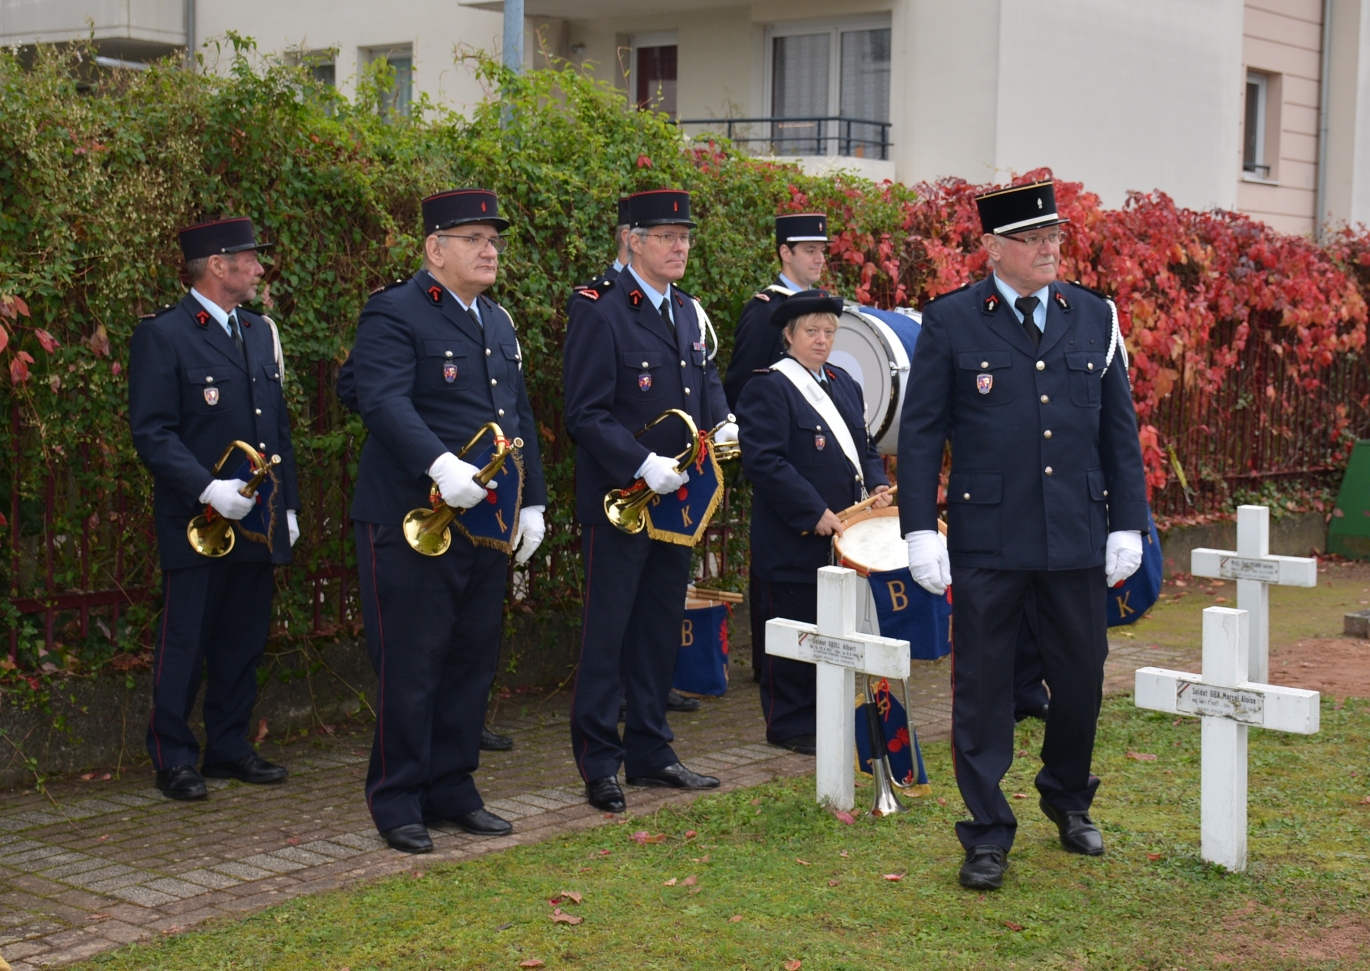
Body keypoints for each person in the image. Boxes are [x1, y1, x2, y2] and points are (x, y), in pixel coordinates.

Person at [897, 180, 1147, 890]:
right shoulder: (952, 321)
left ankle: (1067, 796)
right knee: (981, 687)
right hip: (989, 536)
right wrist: (920, 528)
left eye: (1055, 238)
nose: (1049, 249)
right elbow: (921, 437)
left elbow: (1117, 431)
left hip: (1074, 532)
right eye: (1034, 239)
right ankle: (986, 831)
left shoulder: (1094, 316)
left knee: (1080, 679)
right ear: (993, 248)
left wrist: (1127, 520)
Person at [346, 189, 548, 854]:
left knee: (470, 659)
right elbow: (380, 398)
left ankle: (453, 786)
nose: (490, 250)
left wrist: (535, 502)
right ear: (435, 249)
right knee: (412, 662)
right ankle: (398, 797)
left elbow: (516, 421)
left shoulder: (496, 321)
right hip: (413, 516)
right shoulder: (395, 311)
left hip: (486, 520)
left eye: (493, 239)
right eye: (473, 239)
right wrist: (438, 463)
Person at [563, 188, 736, 814]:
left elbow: (705, 381)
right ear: (632, 240)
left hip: (676, 501)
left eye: (685, 236)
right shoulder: (599, 309)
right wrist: (640, 464)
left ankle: (651, 750)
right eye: (667, 236)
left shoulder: (687, 311)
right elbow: (584, 411)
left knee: (659, 629)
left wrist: (724, 425)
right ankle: (599, 763)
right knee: (607, 634)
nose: (680, 245)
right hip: (621, 499)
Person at [129, 217, 300, 801]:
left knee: (242, 639)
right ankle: (174, 756)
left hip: (254, 517)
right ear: (218, 266)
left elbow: (276, 429)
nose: (259, 268)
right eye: (250, 259)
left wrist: (290, 508)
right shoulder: (165, 335)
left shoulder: (256, 332)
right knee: (187, 641)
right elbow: (153, 433)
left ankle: (228, 746)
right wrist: (206, 488)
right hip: (197, 521)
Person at [737, 290, 890, 754]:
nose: (822, 340)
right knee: (796, 633)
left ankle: (828, 715)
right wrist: (813, 511)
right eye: (811, 331)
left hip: (844, 534)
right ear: (788, 335)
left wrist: (878, 485)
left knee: (833, 631)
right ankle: (790, 724)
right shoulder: (768, 386)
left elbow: (865, 449)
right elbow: (764, 462)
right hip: (793, 537)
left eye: (829, 331)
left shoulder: (845, 383)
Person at [723, 212, 830, 410]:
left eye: (822, 251)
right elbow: (741, 387)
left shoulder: (822, 305)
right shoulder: (764, 311)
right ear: (786, 253)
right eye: (810, 250)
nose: (820, 259)